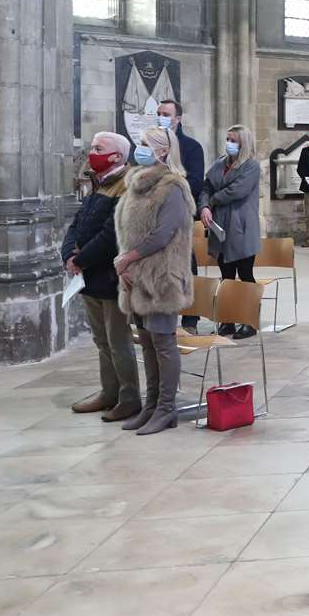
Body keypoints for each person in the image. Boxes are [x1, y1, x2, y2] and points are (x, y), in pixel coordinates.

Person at [112, 127, 195, 436]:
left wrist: (129, 257)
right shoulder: (136, 184)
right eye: (139, 143)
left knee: (163, 343)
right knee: (146, 343)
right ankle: (151, 405)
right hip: (136, 276)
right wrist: (127, 261)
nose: (139, 148)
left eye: (146, 144)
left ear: (162, 151)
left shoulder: (174, 187)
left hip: (161, 276)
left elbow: (163, 233)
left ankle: (167, 408)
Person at [62, 131, 141, 422]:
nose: (91, 152)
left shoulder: (126, 184)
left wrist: (80, 259)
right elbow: (78, 223)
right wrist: (68, 254)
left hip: (110, 274)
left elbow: (112, 234)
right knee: (101, 340)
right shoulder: (100, 182)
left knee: (118, 340)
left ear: (117, 156)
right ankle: (109, 392)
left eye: (98, 148)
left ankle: (129, 397)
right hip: (89, 275)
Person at [198, 124, 262, 338]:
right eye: (228, 139)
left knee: (245, 275)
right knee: (226, 277)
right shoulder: (219, 164)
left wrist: (214, 200)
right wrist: (204, 207)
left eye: (234, 140)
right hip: (220, 227)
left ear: (243, 143)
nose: (229, 144)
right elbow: (205, 187)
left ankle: (249, 321)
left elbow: (237, 190)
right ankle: (227, 320)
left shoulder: (251, 166)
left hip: (241, 227)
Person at [157, 100, 205, 331]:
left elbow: (195, 182)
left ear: (178, 118)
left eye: (166, 113)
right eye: (158, 113)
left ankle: (190, 318)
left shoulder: (192, 147)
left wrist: (166, 186)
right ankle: (162, 317)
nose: (161, 117)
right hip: (154, 216)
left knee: (186, 266)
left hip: (180, 214)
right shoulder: (151, 144)